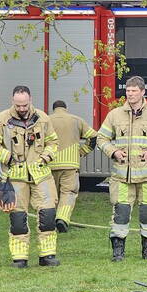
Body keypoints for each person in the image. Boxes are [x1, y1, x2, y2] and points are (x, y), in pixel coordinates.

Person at [96, 75, 147, 262]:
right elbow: (101, 139)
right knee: (120, 213)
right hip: (121, 176)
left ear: (142, 92)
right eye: (128, 91)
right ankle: (118, 252)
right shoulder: (114, 115)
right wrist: (113, 152)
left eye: (133, 91)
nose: (129, 94)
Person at [0, 85, 61, 268]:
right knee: (18, 218)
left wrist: (46, 157)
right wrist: (7, 157)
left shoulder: (43, 118)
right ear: (13, 101)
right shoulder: (2, 119)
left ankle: (47, 255)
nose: (21, 109)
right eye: (18, 105)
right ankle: (20, 258)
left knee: (48, 215)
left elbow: (53, 142)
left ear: (30, 100)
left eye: (24, 105)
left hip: (41, 174)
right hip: (15, 176)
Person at [48, 100, 97, 233]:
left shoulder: (46, 120)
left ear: (54, 109)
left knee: (51, 194)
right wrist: (82, 151)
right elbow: (93, 137)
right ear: (66, 108)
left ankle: (49, 221)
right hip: (70, 164)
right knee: (68, 193)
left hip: (50, 163)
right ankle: (62, 219)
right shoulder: (76, 120)